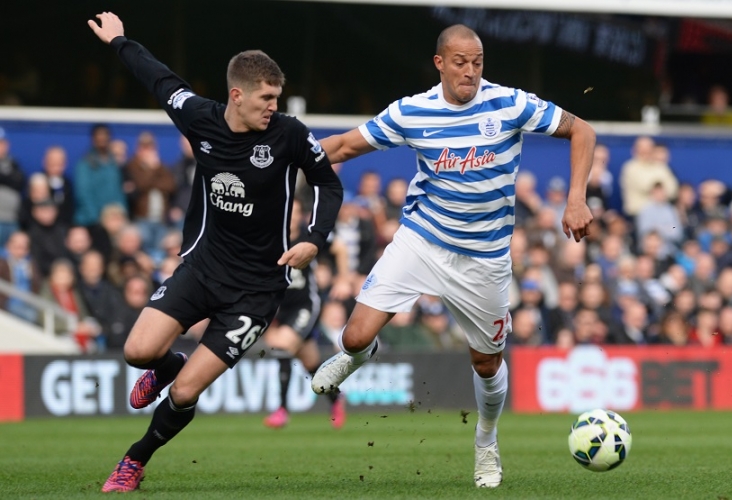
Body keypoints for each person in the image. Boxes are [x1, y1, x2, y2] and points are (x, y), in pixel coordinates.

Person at [310, 24, 595, 489]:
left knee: (486, 364)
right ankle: (358, 356)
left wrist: (576, 198)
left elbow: (582, 130)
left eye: (477, 62)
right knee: (355, 335)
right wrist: (279, 159)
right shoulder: (412, 111)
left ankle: (486, 440)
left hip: (485, 256)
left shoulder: (510, 104)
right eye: (460, 63)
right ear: (439, 63)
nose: (470, 72)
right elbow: (342, 146)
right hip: (422, 240)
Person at [88, 12, 342, 493]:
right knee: (138, 352)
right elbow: (159, 78)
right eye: (266, 98)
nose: (273, 107)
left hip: (256, 290)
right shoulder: (199, 117)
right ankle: (167, 366)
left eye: (277, 98)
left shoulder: (289, 133)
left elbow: (328, 184)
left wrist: (314, 238)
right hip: (202, 269)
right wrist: (119, 41)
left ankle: (133, 461)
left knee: (186, 393)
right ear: (237, 95)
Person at [262, 199, 346, 429]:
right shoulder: (270, 239)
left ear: (301, 216)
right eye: (288, 212)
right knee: (310, 363)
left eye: (296, 212)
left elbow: (340, 248)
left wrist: (343, 278)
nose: (291, 217)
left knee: (282, 346)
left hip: (306, 305)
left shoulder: (308, 238)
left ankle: (281, 410)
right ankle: (336, 397)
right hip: (283, 309)